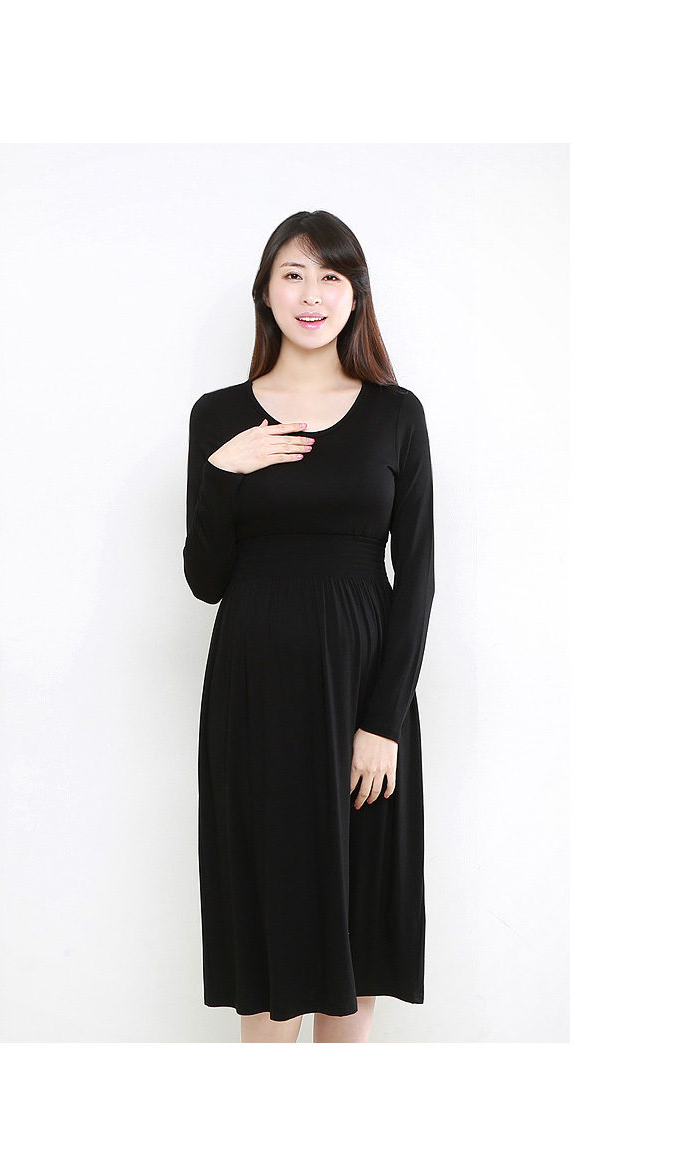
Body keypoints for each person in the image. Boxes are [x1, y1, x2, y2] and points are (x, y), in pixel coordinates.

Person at [183, 210, 435, 1044]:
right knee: (267, 919)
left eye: (331, 276)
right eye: (292, 274)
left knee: (355, 942)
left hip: (364, 697)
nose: (311, 293)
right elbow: (205, 580)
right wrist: (224, 473)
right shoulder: (218, 416)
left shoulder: (397, 414)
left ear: (356, 295)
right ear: (265, 291)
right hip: (254, 696)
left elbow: (418, 577)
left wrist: (382, 722)